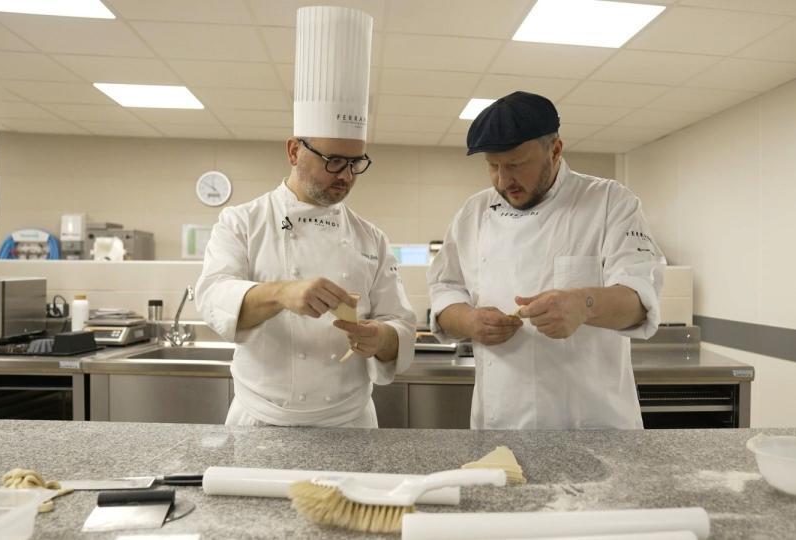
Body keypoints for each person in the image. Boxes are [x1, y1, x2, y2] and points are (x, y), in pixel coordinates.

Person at [196, 6, 415, 428]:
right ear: (295, 150)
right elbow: (213, 296)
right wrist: (281, 294)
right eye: (334, 160)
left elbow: (400, 324)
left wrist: (383, 338)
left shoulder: (371, 238)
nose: (346, 176)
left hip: (349, 421)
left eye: (356, 162)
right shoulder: (241, 221)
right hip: (262, 421)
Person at [428, 91, 666, 430]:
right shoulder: (474, 213)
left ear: (554, 150)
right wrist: (469, 322)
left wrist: (584, 305)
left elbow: (640, 299)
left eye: (515, 165)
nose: (502, 180)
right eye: (493, 167)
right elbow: (444, 289)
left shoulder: (609, 201)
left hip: (592, 426)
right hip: (500, 425)